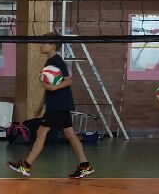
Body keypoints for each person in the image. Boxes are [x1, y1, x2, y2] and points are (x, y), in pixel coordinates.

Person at [8, 32, 95, 179]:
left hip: (58, 105)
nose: (41, 45)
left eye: (44, 42)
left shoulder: (56, 61)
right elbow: (49, 87)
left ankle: (26, 165)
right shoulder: (50, 61)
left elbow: (68, 80)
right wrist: (42, 104)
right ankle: (85, 165)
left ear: (53, 45)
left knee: (42, 133)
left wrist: (54, 88)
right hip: (59, 104)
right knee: (70, 135)